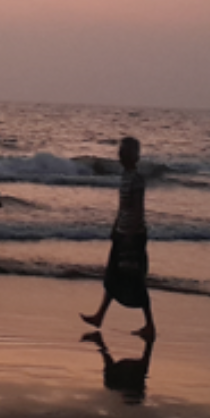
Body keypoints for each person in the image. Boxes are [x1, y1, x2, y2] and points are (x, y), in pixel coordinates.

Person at [81, 136, 156, 341]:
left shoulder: (136, 179)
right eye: (120, 151)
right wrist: (115, 228)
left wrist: (130, 235)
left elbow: (137, 210)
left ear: (134, 156)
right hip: (122, 233)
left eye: (124, 152)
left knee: (136, 280)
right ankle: (99, 316)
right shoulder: (124, 177)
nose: (120, 155)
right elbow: (122, 207)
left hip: (133, 236)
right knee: (113, 276)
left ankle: (150, 324)